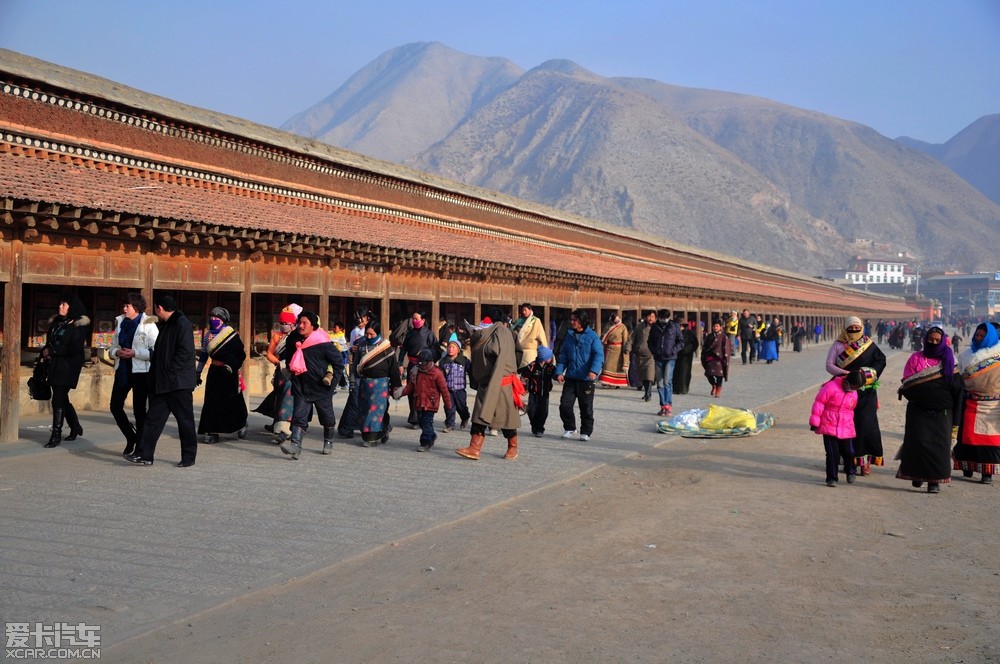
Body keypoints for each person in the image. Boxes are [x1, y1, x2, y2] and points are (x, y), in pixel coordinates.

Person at [126, 294, 198, 467]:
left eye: (155, 309)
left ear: (160, 308)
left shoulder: (182, 324)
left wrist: (170, 372)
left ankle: (188, 458)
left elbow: (185, 354)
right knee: (152, 420)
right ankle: (145, 454)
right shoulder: (164, 325)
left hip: (178, 384)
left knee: (185, 422)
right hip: (162, 383)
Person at [896, 326, 962, 493]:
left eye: (937, 340)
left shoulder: (950, 360)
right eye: (930, 340)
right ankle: (916, 475)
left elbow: (956, 388)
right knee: (918, 444)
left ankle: (934, 482)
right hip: (918, 410)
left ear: (942, 341)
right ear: (925, 340)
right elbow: (908, 383)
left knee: (939, 447)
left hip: (942, 413)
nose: (933, 342)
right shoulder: (915, 358)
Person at [456, 307, 525, 460]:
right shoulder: (505, 332)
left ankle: (513, 446)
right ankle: (474, 447)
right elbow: (518, 354)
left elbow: (491, 349)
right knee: (481, 413)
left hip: (502, 381)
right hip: (490, 380)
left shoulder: (499, 332)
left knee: (506, 418)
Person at [825, 315, 887, 476]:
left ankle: (864, 462)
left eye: (856, 328)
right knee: (844, 425)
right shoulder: (838, 344)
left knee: (866, 426)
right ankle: (846, 459)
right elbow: (829, 365)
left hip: (866, 391)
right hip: (843, 389)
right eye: (850, 328)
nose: (854, 330)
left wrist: (865, 375)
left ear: (861, 328)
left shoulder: (868, 344)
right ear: (845, 328)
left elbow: (881, 361)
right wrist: (848, 374)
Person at [278, 311, 344, 459]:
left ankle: (328, 440)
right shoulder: (293, 339)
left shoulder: (322, 342)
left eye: (304, 323)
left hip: (321, 387)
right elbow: (289, 359)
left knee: (327, 417)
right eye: (299, 322)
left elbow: (338, 363)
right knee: (299, 416)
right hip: (301, 386)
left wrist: (333, 384)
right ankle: (295, 446)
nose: (300, 326)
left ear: (313, 326)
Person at [109, 292, 159, 457]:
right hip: (122, 369)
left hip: (141, 371)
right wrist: (117, 352)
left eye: (127, 306)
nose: (124, 309)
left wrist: (135, 353)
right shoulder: (120, 322)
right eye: (123, 306)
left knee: (139, 410)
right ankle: (131, 436)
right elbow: (112, 347)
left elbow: (155, 351)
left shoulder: (148, 324)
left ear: (136, 308)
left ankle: (141, 446)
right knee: (115, 406)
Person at [953, 322, 1000, 484]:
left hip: (993, 406)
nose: (979, 338)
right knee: (967, 440)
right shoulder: (966, 356)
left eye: (982, 336)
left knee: (990, 441)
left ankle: (987, 473)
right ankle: (968, 467)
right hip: (970, 403)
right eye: (977, 335)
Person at [41, 295, 90, 448]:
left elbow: (74, 348)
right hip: (55, 365)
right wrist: (45, 351)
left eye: (64, 304)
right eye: (60, 303)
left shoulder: (77, 325)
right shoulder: (57, 323)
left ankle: (56, 434)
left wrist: (53, 351)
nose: (60, 307)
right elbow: (50, 342)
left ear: (72, 307)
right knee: (61, 398)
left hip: (69, 366)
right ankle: (75, 426)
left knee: (58, 398)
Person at [195, 307, 248, 443]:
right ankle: (212, 431)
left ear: (223, 320)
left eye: (217, 318)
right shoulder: (207, 336)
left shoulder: (231, 335)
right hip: (214, 372)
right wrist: (198, 372)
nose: (213, 320)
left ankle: (240, 424)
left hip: (228, 372)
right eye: (211, 317)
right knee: (212, 401)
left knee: (232, 401)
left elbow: (239, 354)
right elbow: (203, 356)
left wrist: (230, 366)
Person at [555, 308, 604, 441]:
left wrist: (594, 371)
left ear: (582, 321)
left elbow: (598, 355)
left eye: (574, 320)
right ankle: (570, 427)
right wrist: (559, 371)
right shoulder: (569, 336)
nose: (572, 322)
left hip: (586, 378)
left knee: (586, 407)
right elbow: (563, 355)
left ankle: (586, 431)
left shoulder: (592, 336)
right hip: (571, 377)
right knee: (565, 405)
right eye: (571, 319)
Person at [810, 370, 864, 486]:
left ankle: (851, 471)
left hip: (846, 426)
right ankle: (832, 478)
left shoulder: (854, 392)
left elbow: (852, 408)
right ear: (847, 381)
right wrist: (815, 421)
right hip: (829, 424)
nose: (853, 389)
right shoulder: (831, 387)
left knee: (849, 452)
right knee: (832, 453)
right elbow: (819, 403)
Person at [255, 303, 300, 444]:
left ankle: (286, 427)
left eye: (285, 323)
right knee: (279, 397)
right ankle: (278, 423)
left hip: (294, 372)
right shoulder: (276, 337)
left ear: (293, 324)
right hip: (280, 370)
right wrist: (277, 362)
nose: (282, 326)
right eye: (280, 323)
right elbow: (269, 353)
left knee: (290, 399)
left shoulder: (298, 336)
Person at [355, 322, 402, 448]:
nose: (369, 336)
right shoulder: (361, 346)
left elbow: (394, 369)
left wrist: (397, 387)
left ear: (378, 333)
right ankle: (381, 429)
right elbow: (355, 365)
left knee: (375, 410)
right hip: (365, 383)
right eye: (367, 334)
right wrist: (353, 382)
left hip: (380, 384)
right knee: (365, 409)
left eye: (372, 334)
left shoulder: (386, 348)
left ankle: (372, 438)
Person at [401, 348, 452, 451]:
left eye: (424, 364)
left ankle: (425, 443)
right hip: (419, 402)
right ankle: (431, 435)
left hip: (431, 403)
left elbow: (444, 390)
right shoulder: (415, 372)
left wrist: (448, 405)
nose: (422, 367)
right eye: (420, 364)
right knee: (421, 422)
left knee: (427, 422)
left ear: (430, 362)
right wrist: (400, 393)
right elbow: (410, 386)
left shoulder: (437, 373)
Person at [402, 311, 439, 427]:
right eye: (413, 319)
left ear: (423, 320)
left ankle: (423, 417)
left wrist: (425, 352)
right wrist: (399, 364)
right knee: (411, 391)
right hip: (412, 365)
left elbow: (437, 351)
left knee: (422, 391)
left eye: (417, 319)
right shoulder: (409, 334)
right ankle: (414, 418)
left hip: (424, 367)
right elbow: (403, 349)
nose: (414, 321)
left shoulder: (429, 334)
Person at [647, 308, 685, 417]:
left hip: (670, 358)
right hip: (658, 357)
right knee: (659, 383)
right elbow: (650, 341)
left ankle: (668, 405)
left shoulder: (674, 326)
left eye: (665, 318)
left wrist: (673, 350)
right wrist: (654, 351)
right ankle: (662, 405)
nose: (663, 320)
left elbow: (681, 341)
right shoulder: (654, 327)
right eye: (662, 318)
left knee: (667, 381)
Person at [519, 345, 556, 436]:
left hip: (545, 394)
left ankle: (540, 428)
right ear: (544, 358)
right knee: (532, 410)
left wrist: (560, 376)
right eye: (549, 357)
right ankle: (534, 426)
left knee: (543, 412)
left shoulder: (550, 368)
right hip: (534, 393)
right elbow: (524, 377)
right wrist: (523, 388)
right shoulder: (532, 366)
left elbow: (556, 374)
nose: (551, 358)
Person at [439, 335, 471, 432]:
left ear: (458, 349)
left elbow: (471, 371)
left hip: (460, 389)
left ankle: (465, 417)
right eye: (449, 347)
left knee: (462, 407)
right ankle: (450, 425)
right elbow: (440, 375)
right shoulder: (443, 361)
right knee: (449, 407)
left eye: (453, 347)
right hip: (448, 389)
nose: (450, 349)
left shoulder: (464, 360)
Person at [700, 319, 731, 398]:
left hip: (719, 359)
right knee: (708, 374)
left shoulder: (724, 337)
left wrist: (725, 358)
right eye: (714, 326)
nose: (715, 328)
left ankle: (718, 389)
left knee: (719, 375)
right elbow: (705, 347)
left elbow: (726, 348)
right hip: (711, 358)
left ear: (720, 327)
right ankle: (713, 384)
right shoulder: (709, 336)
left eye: (717, 326)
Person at [630, 310, 657, 401]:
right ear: (645, 317)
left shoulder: (657, 328)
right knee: (643, 376)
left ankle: (648, 393)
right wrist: (627, 347)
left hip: (651, 355)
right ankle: (646, 392)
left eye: (653, 317)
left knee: (649, 375)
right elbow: (632, 339)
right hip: (639, 355)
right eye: (649, 316)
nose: (651, 318)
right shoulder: (639, 327)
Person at [598, 313, 630, 388]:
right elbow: (603, 335)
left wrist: (625, 349)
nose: (617, 319)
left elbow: (625, 339)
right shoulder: (608, 326)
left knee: (617, 367)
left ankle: (617, 382)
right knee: (607, 365)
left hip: (619, 349)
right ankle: (606, 381)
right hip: (609, 348)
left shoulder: (623, 327)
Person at [513, 302, 548, 368]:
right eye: (522, 310)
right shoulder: (519, 321)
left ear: (530, 310)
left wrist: (545, 355)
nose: (523, 312)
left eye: (525, 310)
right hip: (519, 352)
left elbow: (542, 338)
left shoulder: (536, 321)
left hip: (531, 353)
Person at [672, 318, 699, 395]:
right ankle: (676, 388)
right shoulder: (674, 333)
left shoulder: (690, 333)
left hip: (686, 356)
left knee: (685, 372)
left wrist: (689, 350)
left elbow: (695, 344)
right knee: (675, 372)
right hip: (676, 355)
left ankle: (684, 388)